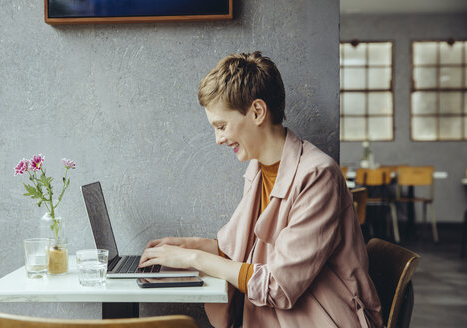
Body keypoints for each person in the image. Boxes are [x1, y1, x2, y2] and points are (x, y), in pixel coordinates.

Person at [139, 51, 383, 327]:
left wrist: (193, 258)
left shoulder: (318, 176)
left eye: (221, 126)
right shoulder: (258, 169)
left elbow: (278, 285)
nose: (218, 139)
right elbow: (247, 251)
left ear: (257, 112)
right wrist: (188, 246)